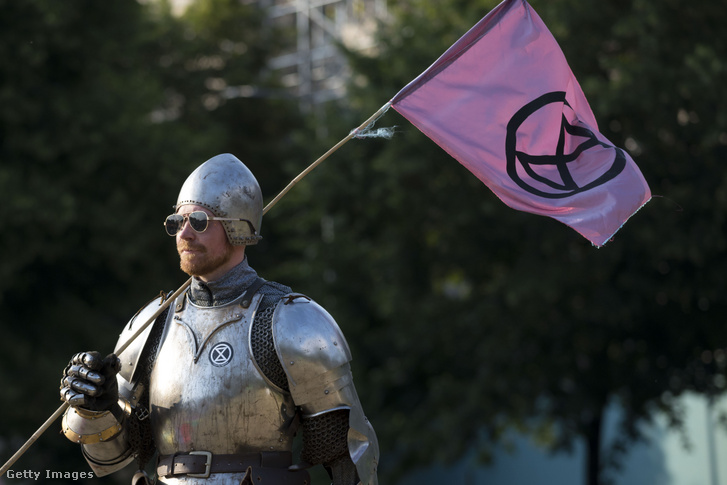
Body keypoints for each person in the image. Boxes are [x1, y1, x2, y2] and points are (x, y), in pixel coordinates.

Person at [59, 154, 379, 485]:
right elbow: (109, 458)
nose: (184, 234)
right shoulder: (151, 325)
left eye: (198, 221)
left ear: (237, 228)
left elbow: (349, 455)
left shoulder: (291, 322)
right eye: (176, 223)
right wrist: (98, 408)